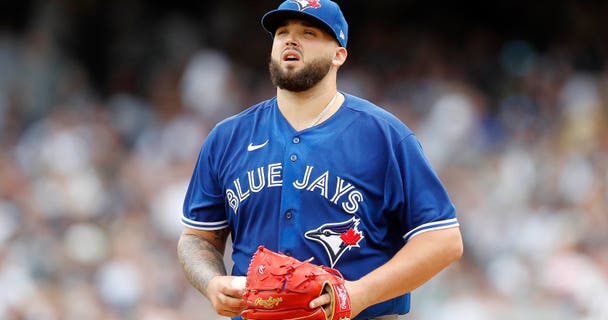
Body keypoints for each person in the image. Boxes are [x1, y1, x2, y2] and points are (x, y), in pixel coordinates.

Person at [177, 0, 463, 319]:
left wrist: (360, 294)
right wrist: (211, 282)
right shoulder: (228, 137)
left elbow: (443, 239)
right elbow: (197, 237)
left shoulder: (383, 135)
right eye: (282, 32)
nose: (291, 39)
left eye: (309, 33)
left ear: (338, 54)